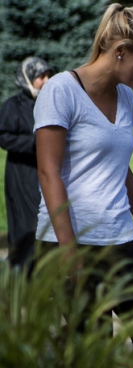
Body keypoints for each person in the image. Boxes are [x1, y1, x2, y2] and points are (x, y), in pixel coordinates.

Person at [34, 4, 133, 324]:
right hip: (69, 239)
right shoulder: (61, 90)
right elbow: (48, 172)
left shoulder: (126, 96)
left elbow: (118, 165)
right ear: (120, 50)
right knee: (91, 350)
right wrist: (68, 251)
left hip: (119, 235)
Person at [1, 57, 51, 269]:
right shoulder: (13, 105)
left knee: (47, 222)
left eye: (49, 75)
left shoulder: (49, 102)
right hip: (22, 173)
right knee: (25, 223)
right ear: (28, 78)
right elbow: (3, 136)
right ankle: (21, 275)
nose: (47, 80)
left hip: (47, 171)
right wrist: (34, 143)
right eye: (41, 77)